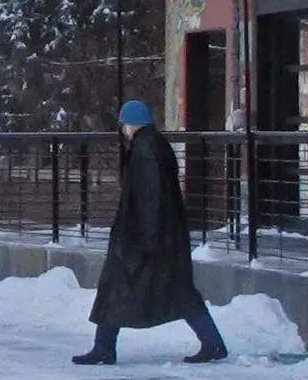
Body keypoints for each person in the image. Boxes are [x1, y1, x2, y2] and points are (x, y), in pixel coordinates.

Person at [78, 100, 229, 365]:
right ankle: (213, 343)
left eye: (124, 124)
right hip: (162, 236)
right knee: (180, 293)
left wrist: (146, 240)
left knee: (115, 288)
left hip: (144, 238)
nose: (123, 129)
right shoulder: (153, 145)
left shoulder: (144, 149)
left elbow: (150, 196)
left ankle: (104, 348)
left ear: (132, 123)